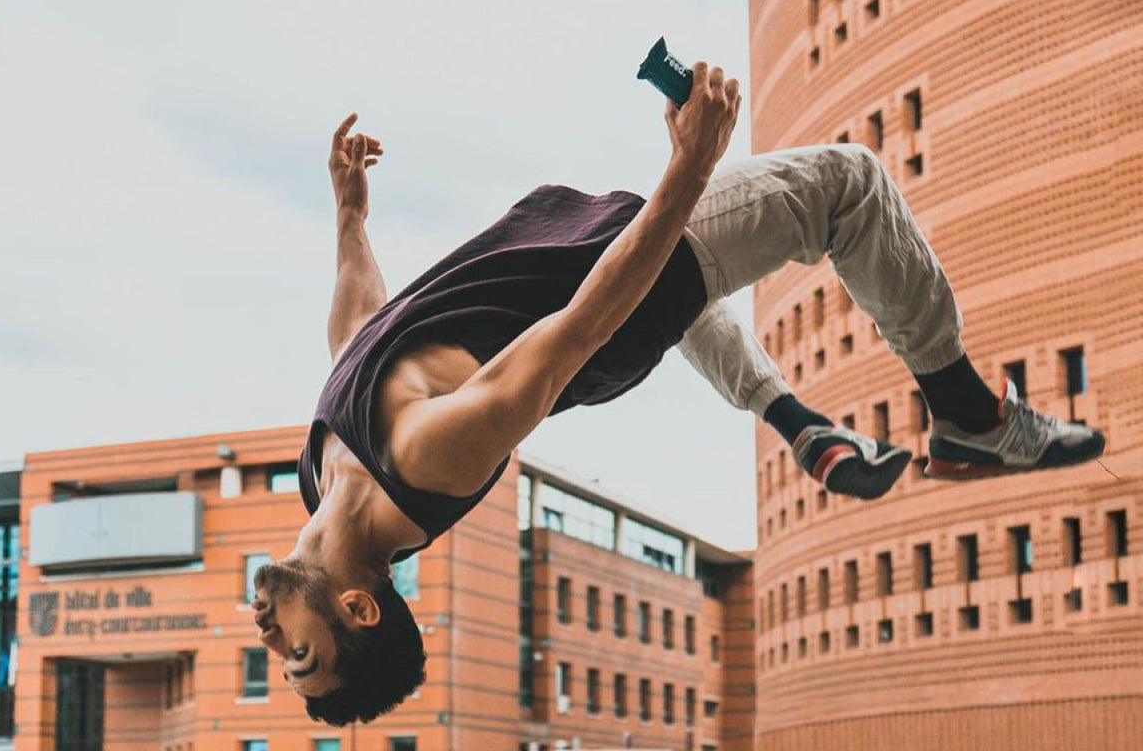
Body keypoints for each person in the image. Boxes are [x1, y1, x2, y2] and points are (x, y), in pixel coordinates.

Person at [250, 62, 1105, 726]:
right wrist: (690, 167)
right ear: (359, 609)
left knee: (689, 302)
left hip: (599, 265)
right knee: (848, 185)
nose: (272, 640)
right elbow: (581, 328)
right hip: (618, 282)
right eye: (299, 656)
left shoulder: (326, 480)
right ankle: (967, 415)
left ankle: (792, 417)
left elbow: (358, 338)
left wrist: (351, 219)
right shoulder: (426, 462)